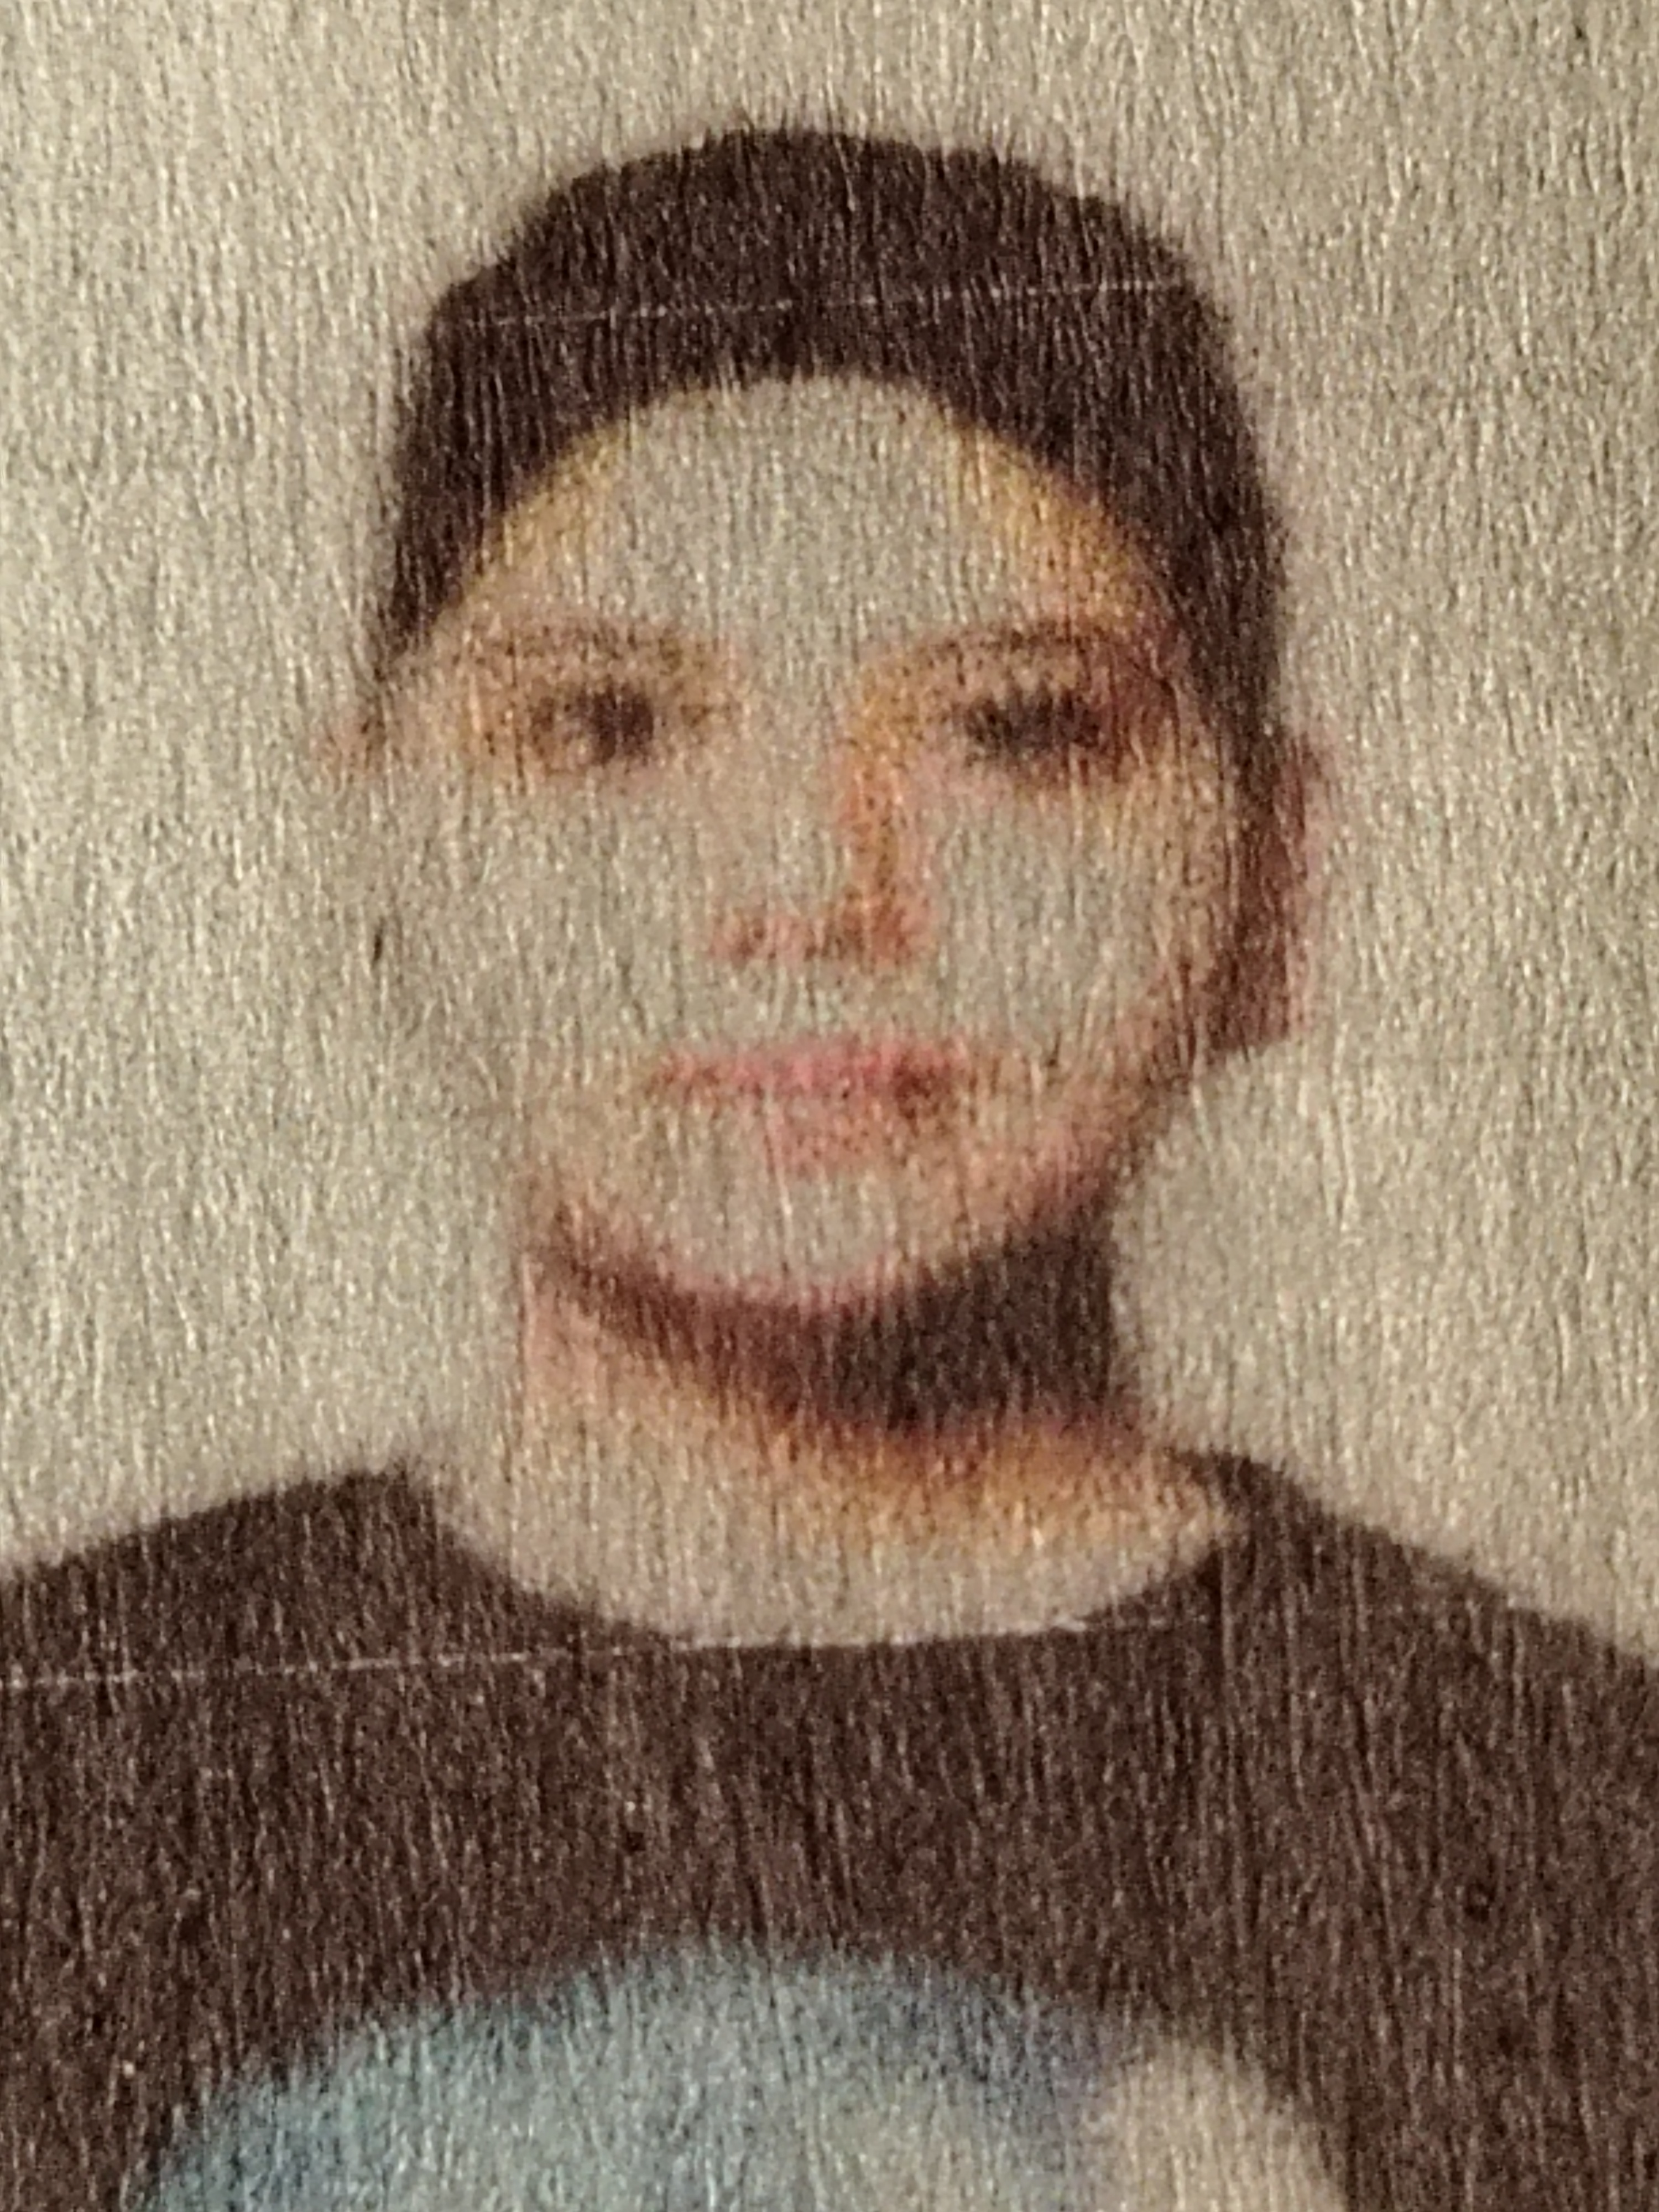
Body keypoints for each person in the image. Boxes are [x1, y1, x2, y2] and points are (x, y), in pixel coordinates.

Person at [2, 128, 1654, 2212]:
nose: (807, 889)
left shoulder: (1586, 1834)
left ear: (1276, 880)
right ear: (368, 860)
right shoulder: (62, 1763)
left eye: (1020, 730)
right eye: (606, 727)